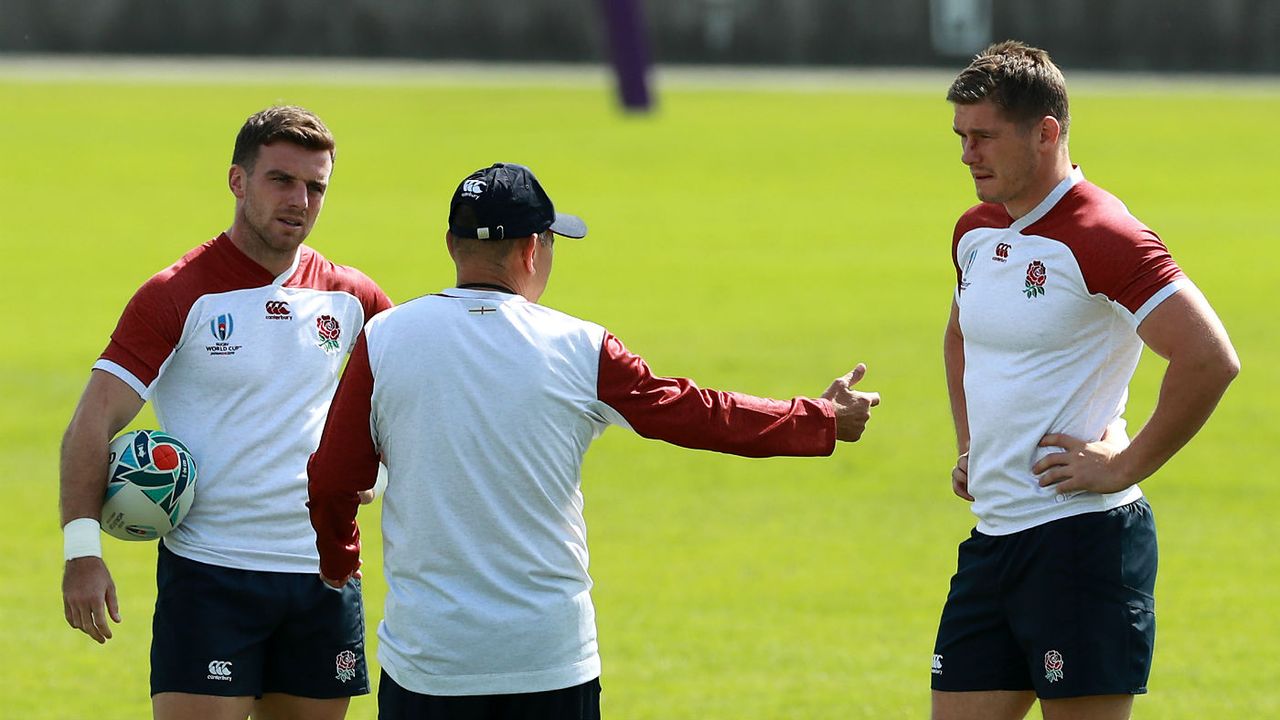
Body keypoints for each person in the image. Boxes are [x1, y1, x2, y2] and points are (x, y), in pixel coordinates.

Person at [307, 162, 881, 720]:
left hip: (429, 661)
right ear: (533, 249)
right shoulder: (582, 348)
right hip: (550, 658)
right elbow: (698, 413)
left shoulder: (384, 340)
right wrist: (818, 418)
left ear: (452, 244)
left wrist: (339, 562)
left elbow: (333, 478)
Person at [932, 41, 1239, 720]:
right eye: (960, 137)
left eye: (983, 137)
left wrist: (1127, 462)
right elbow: (960, 335)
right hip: (993, 541)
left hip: (1081, 546)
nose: (967, 155)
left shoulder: (1104, 234)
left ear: (1046, 133)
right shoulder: (975, 231)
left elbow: (1209, 357)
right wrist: (970, 445)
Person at [59, 105, 392, 720]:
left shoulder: (352, 297)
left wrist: (382, 474)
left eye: (316, 187)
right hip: (211, 575)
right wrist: (83, 553)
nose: (300, 200)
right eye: (281, 180)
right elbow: (92, 420)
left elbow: (411, 402)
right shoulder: (179, 294)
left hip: (325, 573)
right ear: (238, 180)